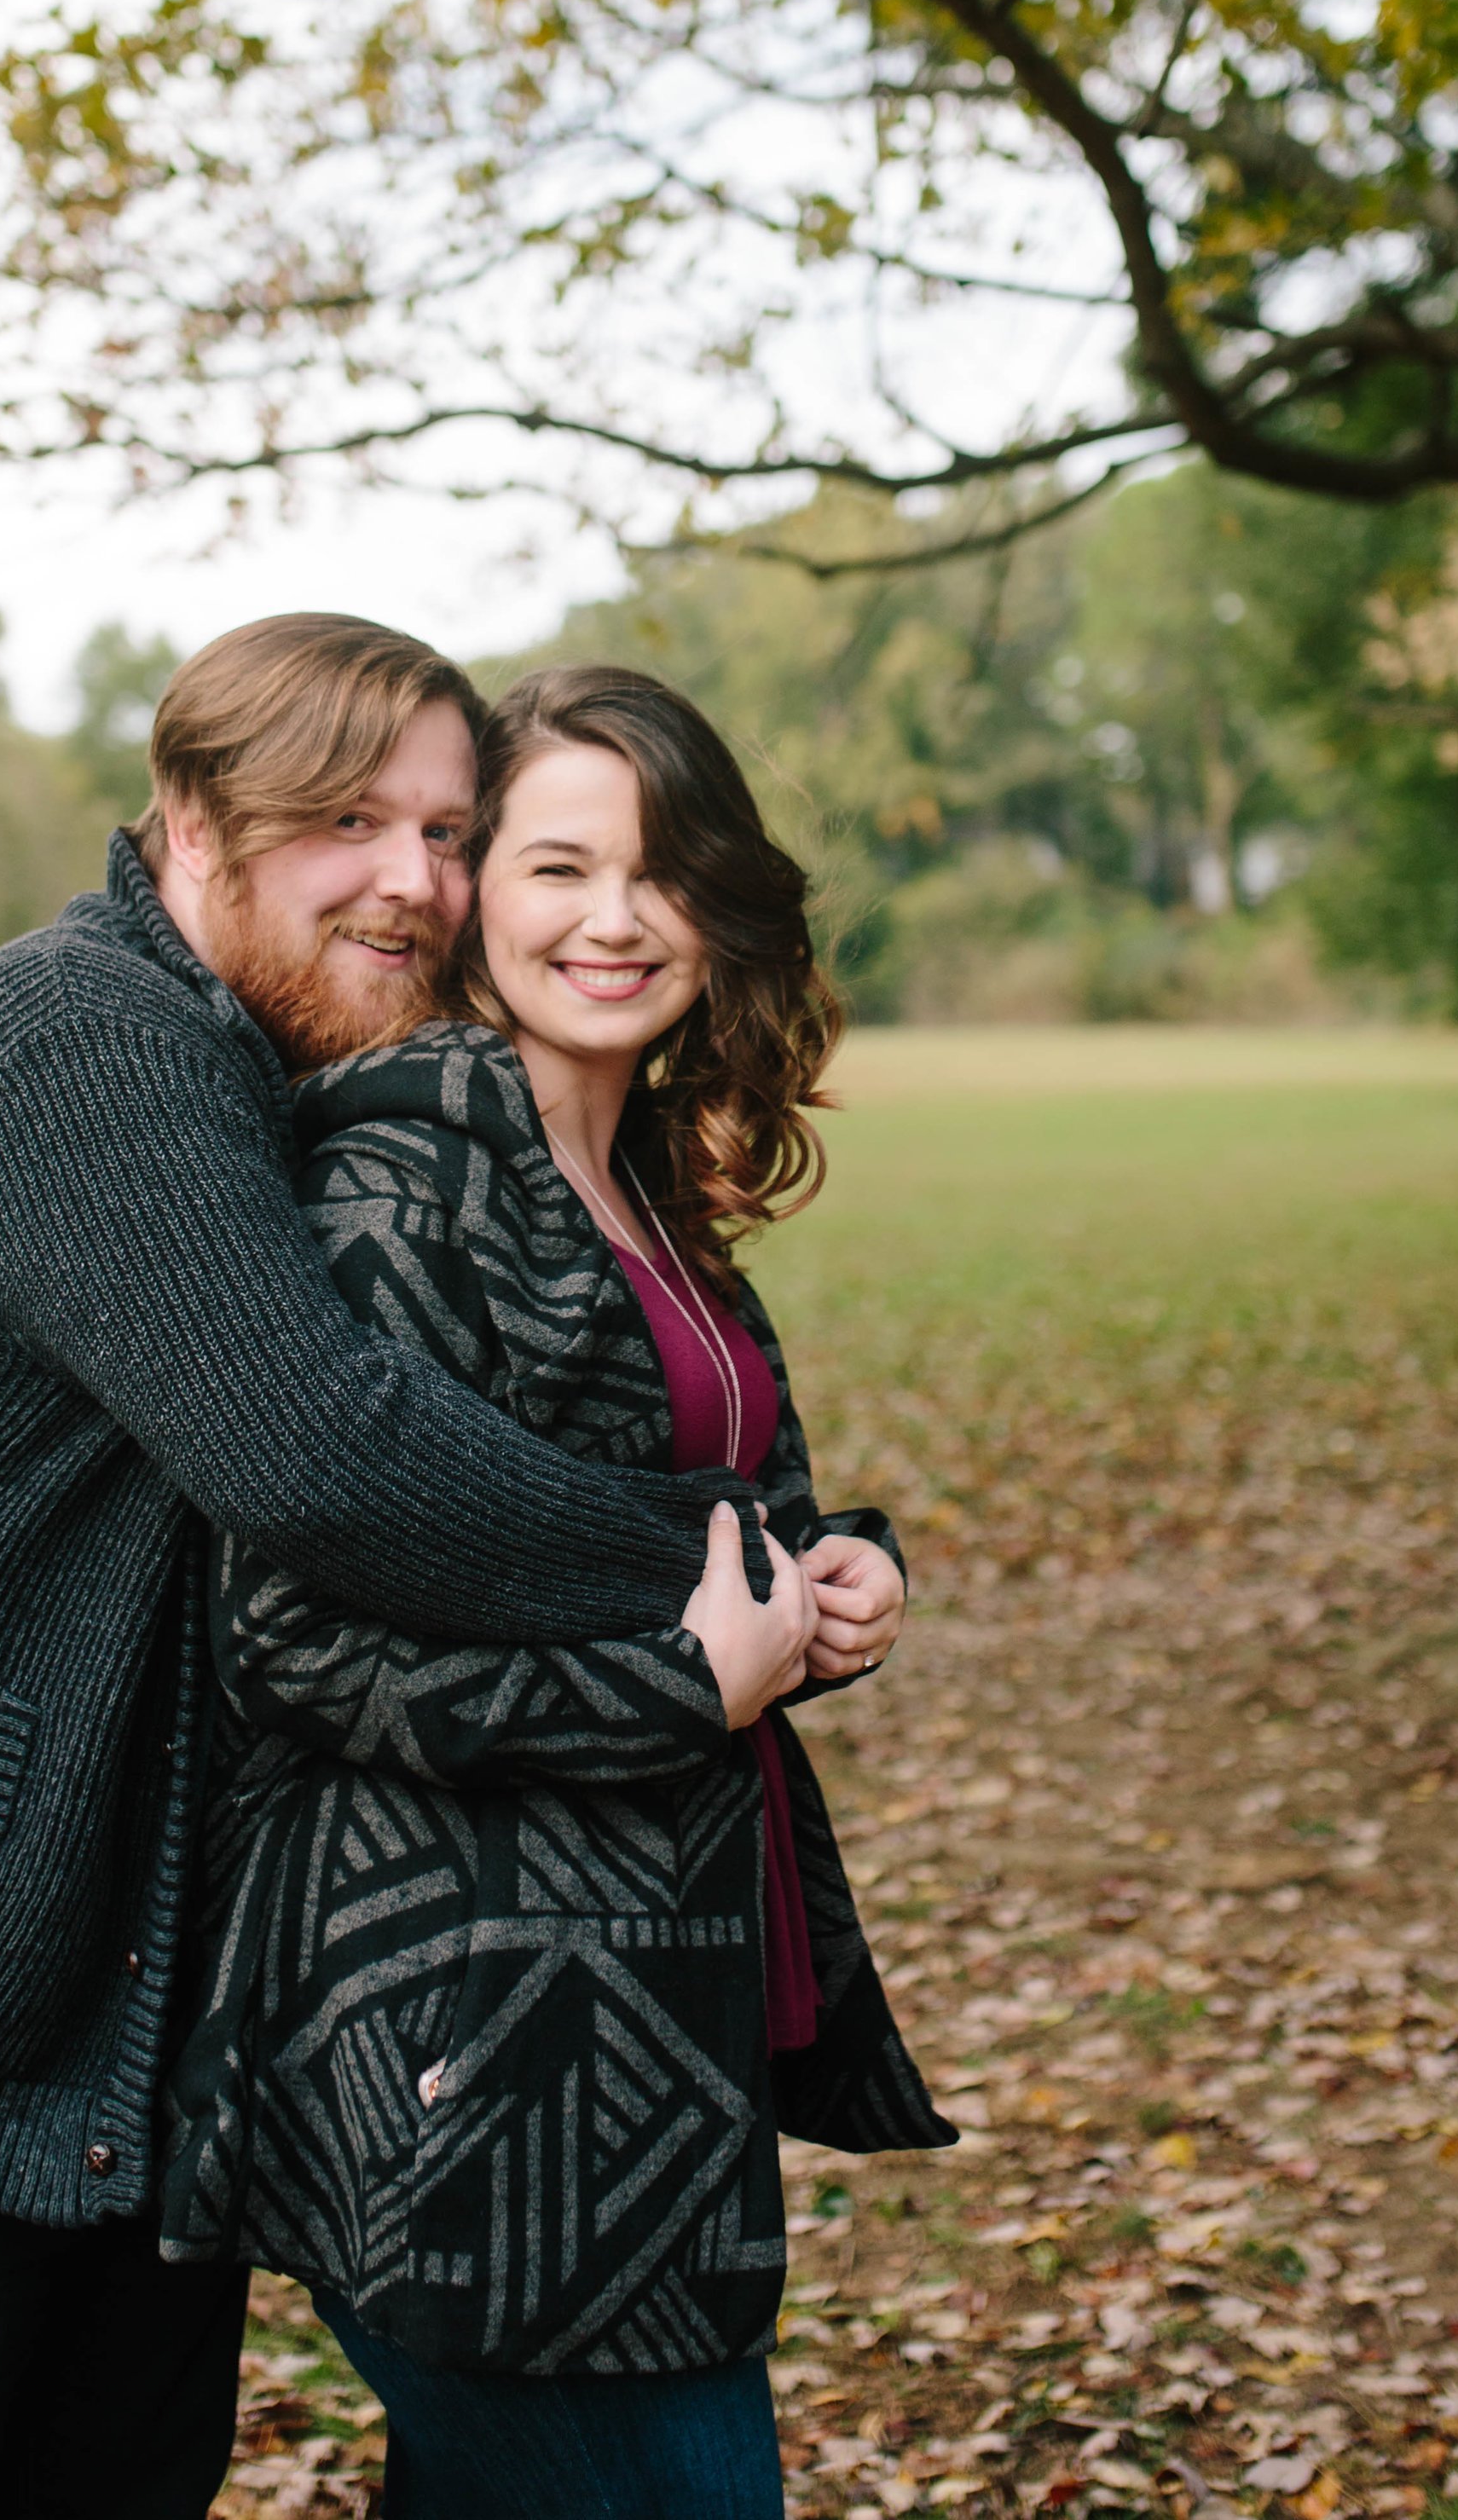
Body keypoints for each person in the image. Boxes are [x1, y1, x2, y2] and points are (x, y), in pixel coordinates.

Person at [0, 616, 858, 2520]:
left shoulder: (258, 1060)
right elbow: (328, 1455)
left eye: (446, 831)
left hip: (96, 1998)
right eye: (348, 822)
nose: (414, 884)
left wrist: (792, 1556)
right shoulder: (82, 1040)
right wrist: (729, 1570)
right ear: (186, 819)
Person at [162, 663, 952, 2520]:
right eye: (554, 867)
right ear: (472, 900)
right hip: (482, 2043)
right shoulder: (405, 1175)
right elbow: (285, 1644)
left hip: (647, 2000)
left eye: (660, 870)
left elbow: (698, 1530)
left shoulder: (644, 1184)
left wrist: (838, 1578)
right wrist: (688, 1687)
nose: (613, 920)